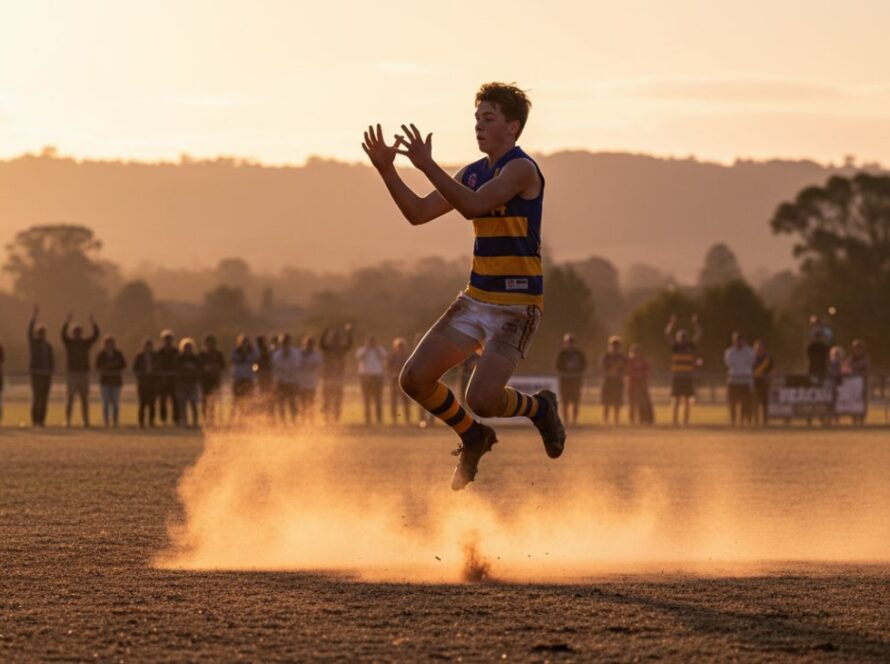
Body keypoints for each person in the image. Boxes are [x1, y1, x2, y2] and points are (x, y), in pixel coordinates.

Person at [363, 82, 564, 489]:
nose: (478, 126)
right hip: (476, 299)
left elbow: (473, 205)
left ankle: (539, 407)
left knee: (482, 399)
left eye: (488, 119)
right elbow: (419, 212)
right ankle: (473, 435)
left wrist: (427, 166)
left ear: (513, 126)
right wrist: (387, 169)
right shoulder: (472, 172)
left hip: (516, 306)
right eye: (476, 119)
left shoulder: (521, 169)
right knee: (413, 380)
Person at [61, 312, 100, 428]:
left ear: (81, 333)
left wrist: (93, 323)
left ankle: (86, 421)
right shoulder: (69, 343)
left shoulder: (85, 343)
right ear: (73, 333)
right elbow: (62, 335)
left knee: (84, 398)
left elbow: (96, 335)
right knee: (70, 398)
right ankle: (68, 421)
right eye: (75, 332)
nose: (77, 334)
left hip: (83, 373)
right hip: (72, 373)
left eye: (79, 332)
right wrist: (67, 322)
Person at [665, 314, 703, 426]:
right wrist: (671, 324)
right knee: (676, 400)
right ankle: (675, 422)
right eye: (681, 337)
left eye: (684, 337)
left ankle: (685, 422)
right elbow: (667, 334)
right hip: (677, 376)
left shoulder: (691, 346)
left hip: (687, 376)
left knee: (686, 401)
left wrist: (696, 324)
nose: (682, 338)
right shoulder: (675, 347)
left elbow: (699, 334)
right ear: (678, 338)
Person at [320, 323, 353, 425]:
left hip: (338, 377)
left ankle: (335, 419)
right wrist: (324, 332)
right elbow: (321, 344)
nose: (335, 340)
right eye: (334, 337)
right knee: (327, 400)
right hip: (328, 377)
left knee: (336, 400)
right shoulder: (328, 349)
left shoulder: (341, 349)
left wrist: (348, 333)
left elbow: (349, 344)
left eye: (336, 338)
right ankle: (327, 419)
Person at [27, 307, 54, 427]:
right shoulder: (34, 344)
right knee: (37, 398)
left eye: (43, 333)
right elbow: (28, 332)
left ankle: (42, 420)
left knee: (44, 399)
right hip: (36, 374)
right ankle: (35, 420)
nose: (41, 335)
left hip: (46, 375)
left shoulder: (48, 346)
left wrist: (52, 370)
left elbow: (52, 359)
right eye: (39, 333)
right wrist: (34, 317)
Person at [555, 334, 587, 425]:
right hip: (565, 381)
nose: (570, 344)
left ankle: (574, 420)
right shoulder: (562, 354)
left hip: (576, 380)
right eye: (568, 342)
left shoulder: (579, 354)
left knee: (576, 401)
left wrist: (577, 371)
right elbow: (557, 366)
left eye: (571, 342)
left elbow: (584, 365)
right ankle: (566, 420)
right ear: (566, 343)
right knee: (565, 401)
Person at [724, 332, 754, 427]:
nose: (738, 342)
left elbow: (751, 362)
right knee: (732, 401)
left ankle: (743, 421)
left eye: (740, 340)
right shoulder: (730, 352)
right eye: (736, 340)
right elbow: (730, 363)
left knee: (745, 402)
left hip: (745, 381)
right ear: (734, 340)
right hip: (733, 380)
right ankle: (733, 421)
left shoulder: (749, 351)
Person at [95, 335, 126, 427]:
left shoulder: (118, 354)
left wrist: (114, 366)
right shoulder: (101, 355)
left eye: (111, 343)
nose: (109, 345)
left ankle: (115, 421)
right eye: (107, 343)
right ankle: (106, 421)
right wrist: (106, 367)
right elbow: (97, 366)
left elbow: (123, 365)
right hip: (105, 381)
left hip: (116, 381)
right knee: (105, 402)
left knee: (115, 402)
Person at [356, 335, 387, 425]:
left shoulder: (380, 349)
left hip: (377, 377)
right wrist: (367, 348)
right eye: (370, 341)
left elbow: (384, 357)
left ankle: (379, 419)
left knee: (378, 399)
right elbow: (359, 357)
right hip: (365, 377)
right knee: (366, 399)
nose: (371, 343)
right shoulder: (362, 350)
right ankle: (367, 419)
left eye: (373, 341)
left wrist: (376, 348)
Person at [272, 333, 301, 424]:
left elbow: (296, 366)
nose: (285, 344)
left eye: (286, 342)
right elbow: (277, 368)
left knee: (293, 403)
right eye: (283, 342)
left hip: (292, 382)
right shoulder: (277, 355)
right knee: (281, 404)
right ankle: (283, 422)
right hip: (281, 382)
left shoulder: (295, 353)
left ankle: (294, 421)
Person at [198, 334, 226, 426]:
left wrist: (216, 368)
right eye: (208, 343)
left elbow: (223, 366)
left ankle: (212, 419)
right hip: (205, 381)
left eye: (211, 343)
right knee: (205, 401)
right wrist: (206, 368)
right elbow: (199, 366)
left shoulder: (218, 354)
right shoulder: (202, 355)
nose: (210, 345)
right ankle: (205, 419)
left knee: (213, 401)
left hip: (215, 380)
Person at [230, 335, 258, 424]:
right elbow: (234, 360)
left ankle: (247, 420)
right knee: (236, 401)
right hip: (238, 380)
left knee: (248, 400)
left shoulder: (252, 352)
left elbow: (256, 359)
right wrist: (243, 354)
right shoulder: (235, 351)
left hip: (248, 379)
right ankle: (234, 420)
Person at [174, 338, 201, 428]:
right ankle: (184, 422)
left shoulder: (195, 358)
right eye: (186, 347)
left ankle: (195, 422)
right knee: (182, 404)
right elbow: (176, 369)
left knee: (193, 404)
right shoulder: (178, 358)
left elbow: (199, 368)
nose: (187, 349)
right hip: (181, 384)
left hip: (192, 383)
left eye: (189, 347)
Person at [155, 330, 180, 425]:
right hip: (162, 381)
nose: (168, 341)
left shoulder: (176, 352)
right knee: (162, 401)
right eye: (166, 339)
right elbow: (157, 365)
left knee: (175, 400)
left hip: (174, 380)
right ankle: (163, 419)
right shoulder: (159, 352)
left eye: (169, 339)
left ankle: (176, 419)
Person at [600, 336, 626, 425]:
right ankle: (605, 422)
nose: (615, 346)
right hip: (608, 381)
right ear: (610, 345)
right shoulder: (606, 356)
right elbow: (602, 368)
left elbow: (625, 368)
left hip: (618, 381)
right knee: (606, 402)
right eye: (613, 344)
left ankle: (616, 421)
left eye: (617, 345)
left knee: (617, 403)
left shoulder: (622, 356)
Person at [297, 336, 322, 424]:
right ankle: (303, 420)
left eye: (311, 344)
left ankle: (311, 420)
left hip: (312, 383)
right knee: (302, 403)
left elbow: (317, 366)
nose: (309, 346)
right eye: (307, 344)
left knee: (311, 403)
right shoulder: (299, 353)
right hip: (301, 383)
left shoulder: (316, 355)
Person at [133, 338, 157, 428]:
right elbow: (135, 368)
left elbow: (158, 367)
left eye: (150, 346)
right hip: (143, 382)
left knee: (152, 403)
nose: (148, 348)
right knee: (142, 403)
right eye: (146, 346)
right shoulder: (139, 356)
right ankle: (141, 422)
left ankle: (151, 421)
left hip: (152, 382)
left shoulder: (155, 356)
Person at [388, 337, 412, 424]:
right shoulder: (391, 356)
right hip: (394, 381)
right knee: (393, 401)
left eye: (402, 346)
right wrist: (392, 373)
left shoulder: (408, 357)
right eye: (399, 346)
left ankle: (407, 419)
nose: (400, 348)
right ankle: (394, 419)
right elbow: (388, 368)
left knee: (406, 401)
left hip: (405, 381)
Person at [626, 344, 652, 425]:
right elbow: (627, 371)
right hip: (632, 385)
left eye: (637, 352)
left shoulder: (644, 362)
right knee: (632, 404)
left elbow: (647, 373)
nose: (636, 354)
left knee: (642, 404)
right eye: (634, 352)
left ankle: (642, 421)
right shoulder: (629, 362)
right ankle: (632, 422)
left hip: (641, 385)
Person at [752, 340, 773, 426]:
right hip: (754, 383)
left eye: (761, 347)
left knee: (765, 403)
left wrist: (769, 379)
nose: (759, 349)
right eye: (757, 347)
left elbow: (772, 371)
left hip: (764, 384)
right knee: (755, 403)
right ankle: (756, 420)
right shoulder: (752, 358)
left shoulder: (768, 358)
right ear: (754, 348)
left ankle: (765, 421)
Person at [848, 339, 869, 426]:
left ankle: (861, 420)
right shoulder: (850, 359)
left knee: (862, 401)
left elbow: (866, 369)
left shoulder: (865, 359)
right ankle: (854, 419)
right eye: (856, 348)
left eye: (859, 348)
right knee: (853, 402)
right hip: (853, 385)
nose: (857, 350)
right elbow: (847, 368)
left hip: (862, 384)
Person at [255, 335, 275, 420]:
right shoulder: (256, 352)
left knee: (268, 397)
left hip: (267, 377)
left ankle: (269, 415)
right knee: (262, 397)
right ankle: (262, 415)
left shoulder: (267, 351)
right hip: (261, 377)